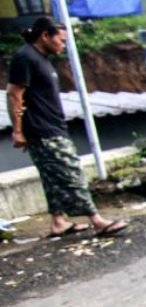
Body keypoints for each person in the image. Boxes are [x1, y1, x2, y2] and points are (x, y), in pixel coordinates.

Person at [7, 16, 127, 239]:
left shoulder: (41, 58)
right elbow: (14, 94)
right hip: (43, 129)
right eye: (60, 40)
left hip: (52, 125)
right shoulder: (25, 57)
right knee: (71, 173)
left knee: (52, 177)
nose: (63, 45)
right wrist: (18, 130)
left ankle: (58, 222)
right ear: (45, 35)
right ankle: (97, 220)